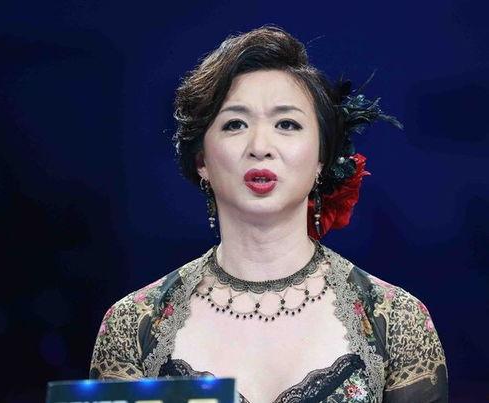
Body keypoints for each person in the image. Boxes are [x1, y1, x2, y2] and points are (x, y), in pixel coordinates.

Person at [89, 25, 448, 403]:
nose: (260, 146)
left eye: (286, 124)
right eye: (235, 124)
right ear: (202, 161)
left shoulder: (396, 320)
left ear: (322, 159)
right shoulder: (133, 325)